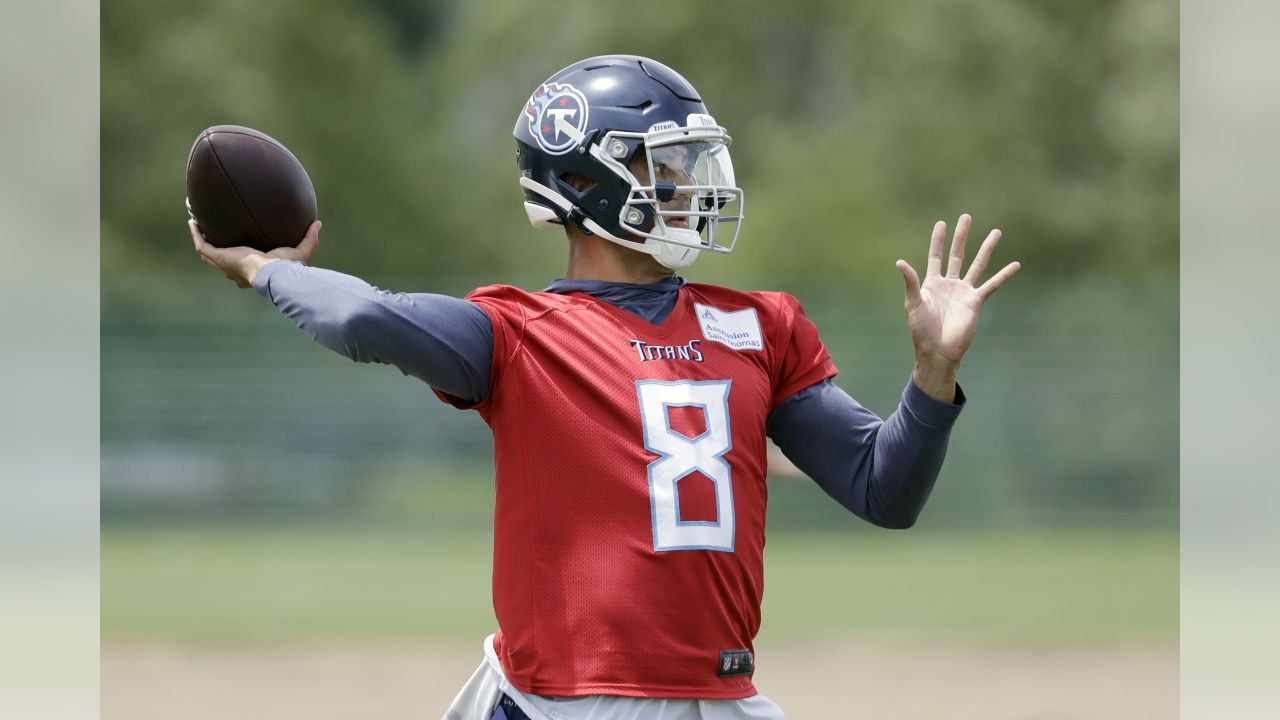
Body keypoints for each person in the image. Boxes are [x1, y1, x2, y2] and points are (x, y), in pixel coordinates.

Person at [190, 55, 1019, 720]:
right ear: (590, 183)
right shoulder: (517, 334)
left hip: (718, 696)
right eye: (672, 167)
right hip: (563, 703)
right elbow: (363, 320)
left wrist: (932, 376)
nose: (697, 187)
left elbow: (885, 489)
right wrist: (268, 269)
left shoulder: (761, 326)